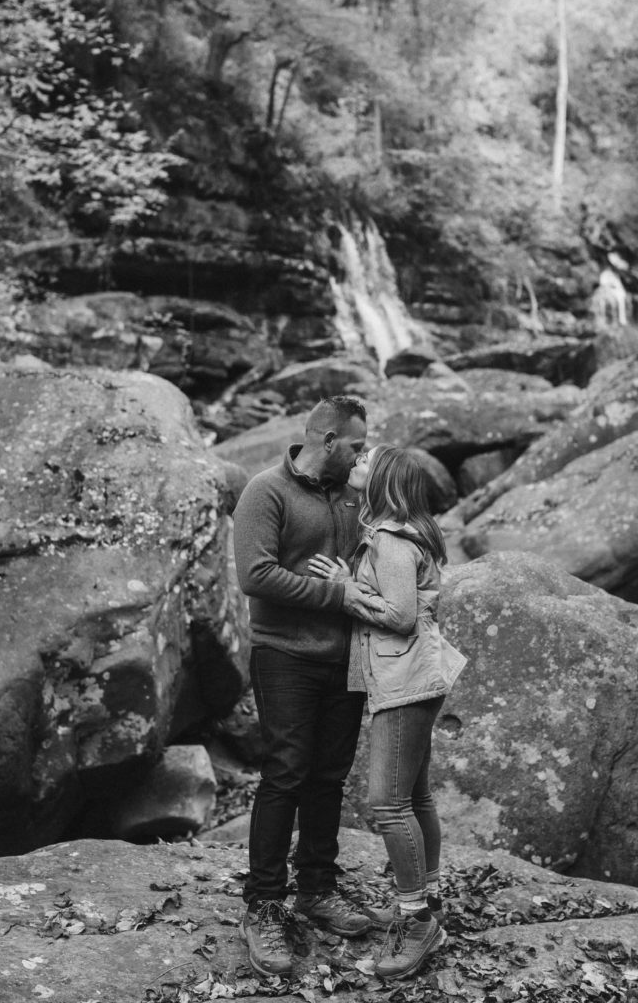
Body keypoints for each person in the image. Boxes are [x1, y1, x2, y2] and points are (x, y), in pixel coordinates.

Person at [232, 396, 384, 979]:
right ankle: (263, 904)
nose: (362, 452)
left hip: (344, 659)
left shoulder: (353, 496)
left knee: (328, 776)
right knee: (285, 774)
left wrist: (354, 583)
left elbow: (366, 566)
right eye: (355, 444)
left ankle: (317, 890)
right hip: (285, 658)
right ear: (325, 439)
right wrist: (337, 595)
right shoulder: (265, 491)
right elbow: (256, 574)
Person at [308, 444, 466, 981]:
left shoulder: (393, 544)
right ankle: (430, 899)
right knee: (415, 796)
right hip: (416, 676)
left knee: (387, 804)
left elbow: (398, 616)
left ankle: (416, 919)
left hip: (403, 681)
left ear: (383, 482)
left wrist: (344, 589)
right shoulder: (394, 535)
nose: (355, 462)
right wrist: (353, 577)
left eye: (364, 461)